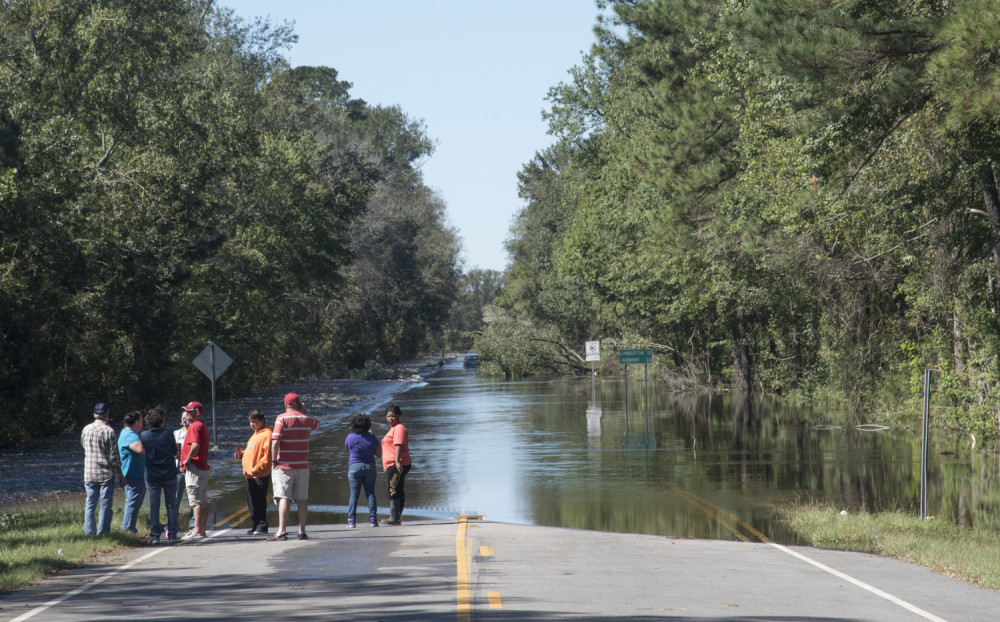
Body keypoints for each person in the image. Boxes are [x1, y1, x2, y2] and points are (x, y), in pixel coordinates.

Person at [268, 393, 319, 541]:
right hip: (302, 464)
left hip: (284, 464)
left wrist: (273, 461)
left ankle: (282, 531)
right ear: (298, 404)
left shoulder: (281, 418)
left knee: (284, 497)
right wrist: (305, 411)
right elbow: (317, 424)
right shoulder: (307, 419)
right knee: (302, 499)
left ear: (285, 404)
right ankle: (302, 531)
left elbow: (275, 441)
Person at [81, 403, 124, 536]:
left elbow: (84, 446)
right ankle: (103, 533)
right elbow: (114, 457)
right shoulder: (109, 431)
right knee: (105, 505)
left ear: (95, 414)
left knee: (90, 503)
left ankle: (89, 532)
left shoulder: (86, 429)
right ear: (107, 415)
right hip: (105, 473)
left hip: (89, 472)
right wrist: (121, 475)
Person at [141, 406, 178, 544]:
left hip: (152, 475)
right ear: (161, 420)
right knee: (171, 505)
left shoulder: (144, 435)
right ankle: (172, 535)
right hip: (169, 472)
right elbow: (174, 451)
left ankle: (155, 536)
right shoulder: (168, 433)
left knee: (154, 505)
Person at [236, 410, 272, 535]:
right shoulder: (256, 434)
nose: (252, 424)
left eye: (255, 422)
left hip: (259, 474)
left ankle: (262, 526)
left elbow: (267, 456)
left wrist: (257, 468)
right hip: (249, 475)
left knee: (259, 501)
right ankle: (256, 524)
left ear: (262, 421)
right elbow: (253, 451)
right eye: (251, 422)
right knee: (251, 502)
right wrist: (242, 454)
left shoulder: (267, 434)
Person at [344, 412, 381, 528]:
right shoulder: (373, 437)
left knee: (354, 494)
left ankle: (351, 521)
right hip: (370, 466)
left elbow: (348, 449)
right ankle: (373, 520)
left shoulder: (350, 437)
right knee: (370, 494)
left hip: (354, 467)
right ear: (368, 425)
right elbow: (379, 454)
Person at [180, 401, 210, 539]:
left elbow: (195, 445)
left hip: (195, 467)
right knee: (202, 499)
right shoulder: (201, 425)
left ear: (197, 412)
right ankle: (202, 529)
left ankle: (197, 530)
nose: (186, 413)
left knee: (195, 499)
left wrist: (187, 460)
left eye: (189, 411)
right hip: (202, 467)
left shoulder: (195, 426)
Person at [381, 404, 412, 525]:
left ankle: (394, 517)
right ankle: (396, 516)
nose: (391, 419)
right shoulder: (393, 429)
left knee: (393, 489)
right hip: (392, 464)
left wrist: (397, 462)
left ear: (398, 416)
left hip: (398, 464)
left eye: (393, 416)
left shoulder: (399, 428)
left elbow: (398, 445)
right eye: (388, 416)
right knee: (397, 489)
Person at [118, 410, 147, 534]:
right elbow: (140, 449)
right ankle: (128, 530)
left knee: (133, 502)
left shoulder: (127, 433)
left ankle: (131, 529)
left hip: (135, 474)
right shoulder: (130, 434)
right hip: (134, 475)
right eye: (141, 421)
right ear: (136, 422)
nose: (142, 423)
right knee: (132, 503)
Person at [173, 410, 193, 536]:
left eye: (187, 418)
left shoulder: (194, 432)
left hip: (190, 468)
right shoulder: (176, 433)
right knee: (175, 498)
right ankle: (172, 525)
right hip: (178, 469)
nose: (185, 420)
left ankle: (192, 526)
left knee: (192, 499)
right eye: (183, 418)